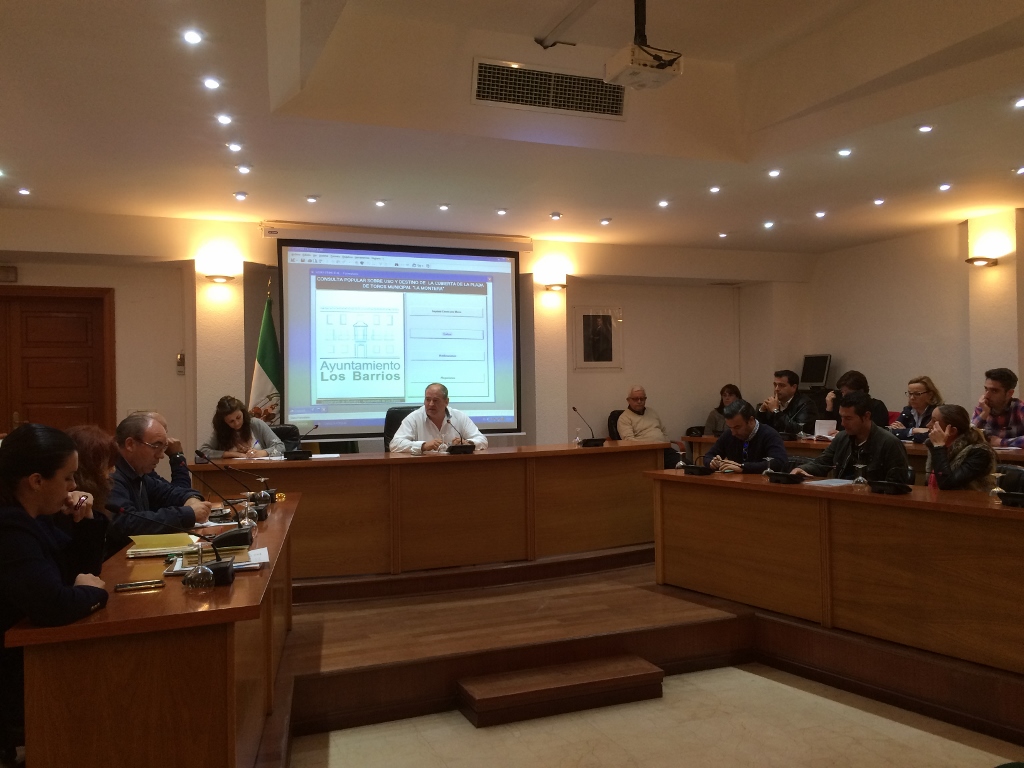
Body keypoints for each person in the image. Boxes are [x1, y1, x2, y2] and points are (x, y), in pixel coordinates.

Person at [0, 424, 108, 763]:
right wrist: (94, 593)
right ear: (36, 481)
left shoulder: (37, 516)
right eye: (68, 478)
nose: (74, 487)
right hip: (16, 672)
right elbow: (54, 605)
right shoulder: (10, 528)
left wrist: (85, 521)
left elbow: (80, 572)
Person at [107, 413, 212, 553]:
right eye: (156, 446)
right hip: (115, 561)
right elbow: (127, 523)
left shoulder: (140, 475)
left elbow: (170, 492)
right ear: (130, 444)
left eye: (163, 448)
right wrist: (187, 513)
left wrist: (191, 499)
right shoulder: (111, 475)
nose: (161, 455)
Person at [793, 392, 909, 481]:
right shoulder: (841, 438)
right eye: (841, 417)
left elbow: (897, 484)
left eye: (848, 418)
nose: (843, 423)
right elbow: (821, 463)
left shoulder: (889, 443)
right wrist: (801, 469)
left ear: (866, 416)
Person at [389, 383, 488, 454]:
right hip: (422, 468)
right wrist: (423, 446)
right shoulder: (414, 418)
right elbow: (394, 444)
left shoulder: (459, 416)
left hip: (454, 466)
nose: (431, 404)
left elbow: (482, 440)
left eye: (436, 400)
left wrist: (467, 443)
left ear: (446, 402)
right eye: (428, 399)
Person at [702, 400, 788, 474]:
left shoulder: (770, 434)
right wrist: (712, 462)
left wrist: (743, 467)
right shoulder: (728, 434)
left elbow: (779, 462)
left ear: (751, 420)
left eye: (737, 427)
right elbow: (708, 455)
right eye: (730, 427)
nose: (733, 433)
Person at [926, 404, 996, 491]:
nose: (928, 425)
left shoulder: (979, 453)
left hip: (971, 499)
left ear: (952, 431)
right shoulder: (935, 447)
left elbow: (947, 484)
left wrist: (939, 447)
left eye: (934, 421)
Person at [617, 386, 682, 468]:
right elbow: (629, 441)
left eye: (642, 399)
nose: (639, 401)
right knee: (680, 468)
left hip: (664, 450)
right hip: (646, 454)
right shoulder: (624, 418)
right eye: (635, 399)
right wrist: (652, 446)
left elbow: (663, 431)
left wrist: (665, 444)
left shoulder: (652, 412)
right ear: (628, 400)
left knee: (688, 465)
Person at [200, 395, 284, 458]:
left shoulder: (256, 424)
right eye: (231, 421)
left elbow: (280, 447)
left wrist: (262, 453)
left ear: (243, 412)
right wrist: (233, 454)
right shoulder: (221, 430)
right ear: (224, 422)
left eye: (238, 417)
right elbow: (202, 452)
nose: (236, 423)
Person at [971, 367, 1024, 447]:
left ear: (1009, 393)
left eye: (994, 391)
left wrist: (1001, 442)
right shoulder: (982, 408)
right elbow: (967, 438)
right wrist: (984, 414)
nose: (986, 395)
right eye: (986, 389)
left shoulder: (1020, 408)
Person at [822, 370, 890, 431]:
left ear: (860, 391)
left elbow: (876, 433)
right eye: (842, 392)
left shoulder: (877, 406)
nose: (844, 396)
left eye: (848, 393)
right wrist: (829, 408)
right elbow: (826, 431)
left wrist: (842, 435)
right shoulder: (842, 406)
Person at [757, 370, 817, 436]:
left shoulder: (806, 404)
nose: (776, 389)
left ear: (794, 387)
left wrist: (776, 411)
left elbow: (799, 431)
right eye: (775, 385)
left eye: (781, 385)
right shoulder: (773, 402)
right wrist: (762, 411)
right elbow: (761, 429)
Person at [890, 376, 942, 442]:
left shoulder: (938, 412)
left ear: (930, 395)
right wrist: (914, 430)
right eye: (910, 393)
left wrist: (905, 432)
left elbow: (932, 436)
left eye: (917, 394)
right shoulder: (907, 411)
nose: (912, 398)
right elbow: (892, 432)